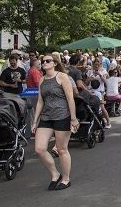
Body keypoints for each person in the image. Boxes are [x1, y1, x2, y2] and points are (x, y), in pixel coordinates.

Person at [31, 55, 78, 190]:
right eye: (43, 61)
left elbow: (70, 98)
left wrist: (73, 118)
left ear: (55, 63)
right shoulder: (42, 79)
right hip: (46, 117)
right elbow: (40, 101)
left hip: (62, 116)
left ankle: (66, 179)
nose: (44, 63)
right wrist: (35, 121)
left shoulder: (62, 77)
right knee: (39, 149)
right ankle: (55, 174)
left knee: (62, 149)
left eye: (48, 61)